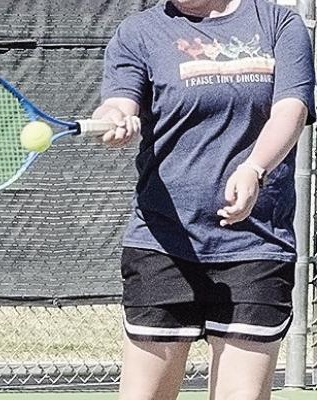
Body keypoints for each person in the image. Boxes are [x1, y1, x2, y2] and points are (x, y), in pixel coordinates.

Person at [92, 0, 315, 399]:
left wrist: (254, 168)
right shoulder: (139, 32)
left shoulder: (280, 23)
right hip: (162, 244)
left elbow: (291, 109)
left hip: (256, 244)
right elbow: (120, 99)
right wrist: (114, 116)